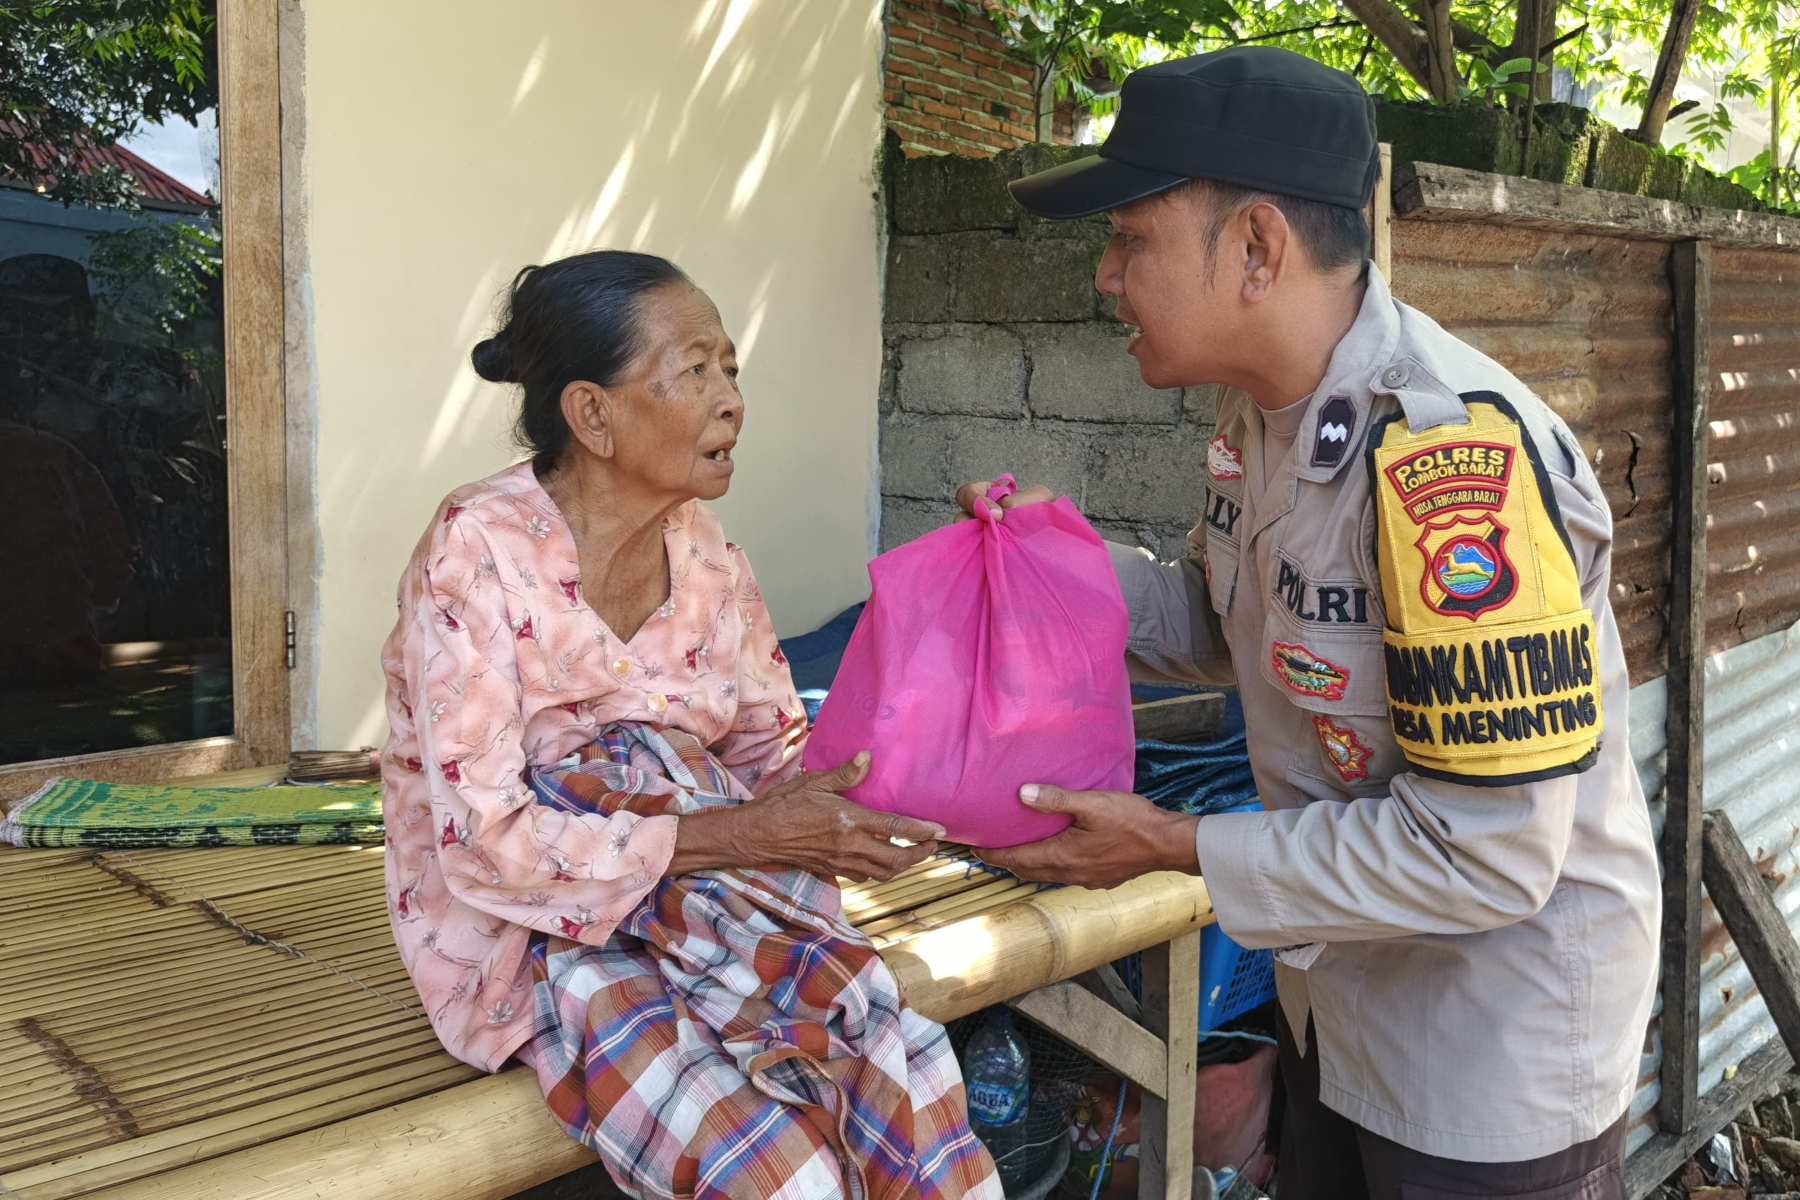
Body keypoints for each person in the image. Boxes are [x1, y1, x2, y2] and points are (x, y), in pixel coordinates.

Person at [957, 48, 1660, 1200]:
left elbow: (1487, 854)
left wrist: (1172, 845)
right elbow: (1233, 621)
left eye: (1129, 239)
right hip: (1340, 1003)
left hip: (1489, 1053)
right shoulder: (1264, 418)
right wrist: (1057, 571)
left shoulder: (1451, 463)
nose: (1104, 275)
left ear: (1257, 248)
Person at [380, 251, 1000, 1199]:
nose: (731, 401)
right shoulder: (476, 551)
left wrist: (939, 702)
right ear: (592, 416)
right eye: (696, 370)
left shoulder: (709, 557)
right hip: (535, 938)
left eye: (731, 369)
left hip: (715, 905)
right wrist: (742, 833)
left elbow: (777, 761)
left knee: (900, 1086)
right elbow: (486, 844)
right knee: (788, 1176)